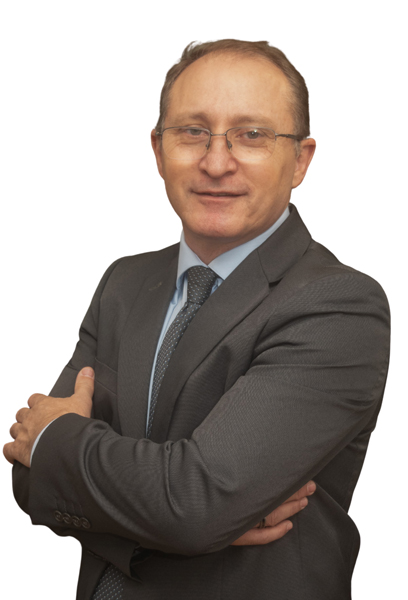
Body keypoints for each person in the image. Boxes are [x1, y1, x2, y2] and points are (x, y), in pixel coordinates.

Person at [4, 39, 390, 600]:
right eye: (192, 132)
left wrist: (59, 444)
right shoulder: (124, 283)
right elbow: (29, 475)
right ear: (158, 150)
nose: (216, 162)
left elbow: (194, 503)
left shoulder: (338, 304)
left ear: (301, 160)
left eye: (251, 134)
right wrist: (176, 526)